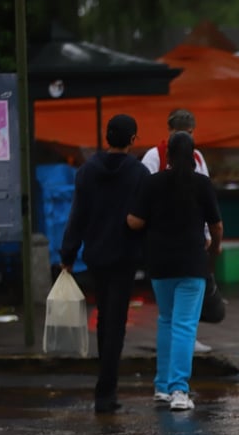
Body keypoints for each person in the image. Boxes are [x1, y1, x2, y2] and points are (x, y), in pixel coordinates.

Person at [60, 114, 150, 413]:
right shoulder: (139, 173)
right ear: (133, 139)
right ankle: (106, 391)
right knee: (116, 321)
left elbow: (78, 215)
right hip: (125, 256)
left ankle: (104, 388)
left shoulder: (86, 171)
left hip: (96, 256)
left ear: (106, 136)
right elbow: (143, 217)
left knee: (103, 318)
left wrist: (68, 255)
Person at [128, 131, 223, 411]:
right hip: (192, 264)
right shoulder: (201, 184)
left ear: (167, 155)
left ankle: (161, 387)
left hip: (159, 264)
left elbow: (134, 221)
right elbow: (216, 226)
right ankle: (179, 390)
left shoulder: (152, 183)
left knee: (166, 322)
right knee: (184, 326)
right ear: (193, 156)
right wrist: (214, 248)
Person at [141, 108, 215, 354]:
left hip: (190, 238)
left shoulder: (199, 159)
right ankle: (174, 367)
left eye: (190, 133)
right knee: (169, 311)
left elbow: (206, 201)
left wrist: (206, 235)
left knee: (185, 308)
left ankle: (186, 341)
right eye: (181, 132)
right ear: (169, 132)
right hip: (163, 238)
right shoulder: (153, 158)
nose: (186, 138)